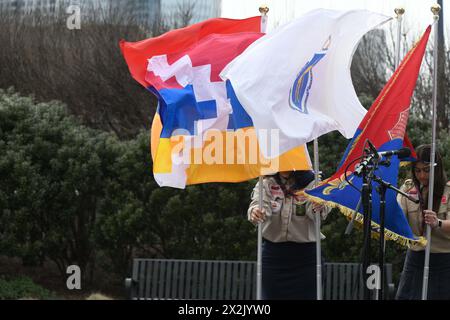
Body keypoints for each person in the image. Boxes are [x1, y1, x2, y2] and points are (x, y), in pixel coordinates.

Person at [247, 170, 331, 300]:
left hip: (306, 258)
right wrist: (256, 212)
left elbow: (316, 214)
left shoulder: (313, 181)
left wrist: (318, 206)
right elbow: (259, 205)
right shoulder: (266, 181)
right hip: (273, 256)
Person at [396, 144, 450, 300]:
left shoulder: (448, 191)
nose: (422, 176)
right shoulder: (408, 188)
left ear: (437, 169)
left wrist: (437, 223)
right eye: (417, 170)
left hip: (443, 260)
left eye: (426, 170)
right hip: (415, 257)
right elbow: (397, 212)